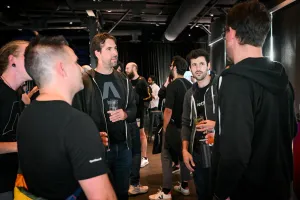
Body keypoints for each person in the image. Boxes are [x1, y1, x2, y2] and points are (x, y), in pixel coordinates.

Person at [212, 1, 297, 200]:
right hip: (281, 188)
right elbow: (291, 130)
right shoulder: (283, 79)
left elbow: (234, 154)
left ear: (231, 33)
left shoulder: (234, 81)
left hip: (247, 190)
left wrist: (219, 192)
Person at [17, 36, 116, 199]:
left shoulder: (26, 116)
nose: (80, 69)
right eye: (75, 62)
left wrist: (85, 143)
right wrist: (84, 136)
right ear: (61, 69)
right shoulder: (77, 123)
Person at [73, 33, 136, 200]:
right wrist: (91, 139)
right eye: (109, 49)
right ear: (97, 53)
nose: (115, 52)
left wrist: (125, 114)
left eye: (115, 48)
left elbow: (133, 110)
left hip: (123, 147)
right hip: (98, 150)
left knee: (122, 193)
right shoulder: (85, 81)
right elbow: (78, 116)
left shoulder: (124, 80)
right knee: (100, 196)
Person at [149, 56, 192, 200]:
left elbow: (168, 111)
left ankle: (166, 192)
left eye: (171, 65)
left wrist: (165, 129)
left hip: (174, 127)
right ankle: (185, 186)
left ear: (174, 67)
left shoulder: (173, 85)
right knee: (183, 155)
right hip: (186, 129)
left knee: (166, 156)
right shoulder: (190, 84)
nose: (170, 68)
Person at [181, 49, 218, 200]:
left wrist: (216, 124)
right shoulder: (189, 94)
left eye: (201, 64)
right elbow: (186, 124)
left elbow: (235, 116)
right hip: (198, 152)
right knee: (202, 194)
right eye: (194, 65)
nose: (198, 68)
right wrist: (184, 150)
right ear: (190, 68)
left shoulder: (220, 87)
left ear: (208, 65)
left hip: (220, 151)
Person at [0, 40, 31, 200]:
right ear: (12, 61)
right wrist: (22, 146)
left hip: (16, 181)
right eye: (28, 56)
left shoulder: (19, 96)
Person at [125, 62, 152, 168]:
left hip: (139, 113)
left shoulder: (142, 81)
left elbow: (149, 96)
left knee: (141, 134)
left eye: (128, 68)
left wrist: (139, 99)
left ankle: (144, 157)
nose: (126, 70)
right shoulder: (127, 81)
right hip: (129, 112)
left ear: (134, 68)